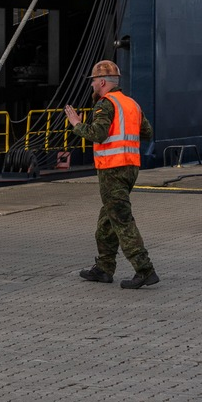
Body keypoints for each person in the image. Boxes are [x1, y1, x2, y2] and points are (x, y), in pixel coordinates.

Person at [65, 60, 159, 289]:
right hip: (130, 168)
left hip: (112, 169)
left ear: (103, 82)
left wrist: (76, 124)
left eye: (94, 81)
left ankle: (144, 270)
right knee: (106, 222)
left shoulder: (105, 105)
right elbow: (147, 132)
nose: (92, 85)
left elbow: (97, 134)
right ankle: (104, 268)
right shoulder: (131, 104)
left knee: (121, 220)